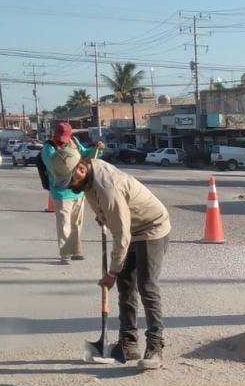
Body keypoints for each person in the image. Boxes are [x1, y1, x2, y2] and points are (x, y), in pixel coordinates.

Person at [51, 147, 170, 370]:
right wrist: (103, 217)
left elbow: (122, 234)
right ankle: (128, 343)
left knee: (147, 286)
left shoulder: (108, 187)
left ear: (82, 168)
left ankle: (155, 347)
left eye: (70, 180)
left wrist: (112, 272)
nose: (68, 185)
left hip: (151, 226)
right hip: (129, 226)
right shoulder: (86, 178)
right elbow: (115, 220)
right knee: (126, 287)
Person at [39, 122, 102, 265]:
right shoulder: (48, 148)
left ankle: (76, 250)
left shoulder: (74, 142)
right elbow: (57, 168)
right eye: (61, 137)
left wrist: (96, 149)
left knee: (77, 224)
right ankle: (65, 254)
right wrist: (72, 156)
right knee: (64, 224)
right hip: (61, 192)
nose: (63, 140)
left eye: (65, 137)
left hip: (78, 191)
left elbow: (85, 155)